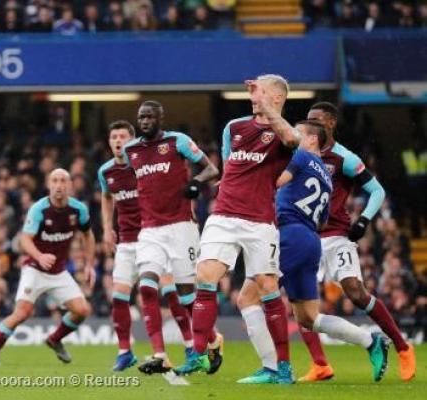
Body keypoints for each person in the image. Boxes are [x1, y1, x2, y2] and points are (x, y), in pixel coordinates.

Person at [175, 75, 299, 384]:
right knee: (204, 277)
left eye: (261, 92)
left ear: (278, 98)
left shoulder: (284, 132)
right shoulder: (234, 127)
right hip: (224, 216)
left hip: (259, 221)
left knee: (267, 287)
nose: (253, 96)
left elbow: (294, 141)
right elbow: (232, 165)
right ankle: (200, 353)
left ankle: (282, 367)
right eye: (253, 92)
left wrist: (269, 111)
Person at [299, 102, 416, 382]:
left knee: (355, 291)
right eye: (308, 121)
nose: (309, 126)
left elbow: (376, 191)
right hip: (304, 236)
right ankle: (320, 364)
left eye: (315, 121)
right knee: (298, 299)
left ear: (330, 124)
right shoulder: (300, 154)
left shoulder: (344, 158)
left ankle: (402, 347)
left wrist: (363, 220)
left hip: (337, 236)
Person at [276, 120, 389, 383]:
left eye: (298, 132)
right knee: (306, 317)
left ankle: (275, 369)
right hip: (311, 237)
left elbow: (276, 182)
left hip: (296, 235)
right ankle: (368, 340)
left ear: (313, 138)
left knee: (259, 292)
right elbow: (323, 220)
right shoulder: (325, 174)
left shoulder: (304, 157)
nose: (292, 135)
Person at [122, 100, 221, 374]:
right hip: (150, 229)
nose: (144, 121)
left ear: (160, 119)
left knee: (187, 296)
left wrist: (195, 183)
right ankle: (159, 354)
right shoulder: (131, 151)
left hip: (181, 227)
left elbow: (212, 169)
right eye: (141, 117)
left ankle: (211, 341)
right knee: (146, 286)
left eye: (149, 117)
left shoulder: (178, 141)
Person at [0, 168, 96, 365]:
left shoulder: (79, 209)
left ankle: (54, 339)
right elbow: (25, 240)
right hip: (34, 268)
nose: (59, 185)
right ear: (48, 184)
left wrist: (89, 264)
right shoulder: (39, 209)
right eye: (55, 181)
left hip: (59, 271)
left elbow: (88, 234)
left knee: (82, 310)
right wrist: (40, 256)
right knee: (22, 313)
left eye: (63, 181)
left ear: (69, 185)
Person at [98, 120, 142, 371]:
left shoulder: (143, 166)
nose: (117, 141)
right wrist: (106, 227)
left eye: (122, 136)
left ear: (132, 140)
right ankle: (125, 351)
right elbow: (106, 196)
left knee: (174, 292)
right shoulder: (105, 171)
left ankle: (200, 343)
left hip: (152, 238)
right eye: (114, 136)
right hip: (126, 242)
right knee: (119, 297)